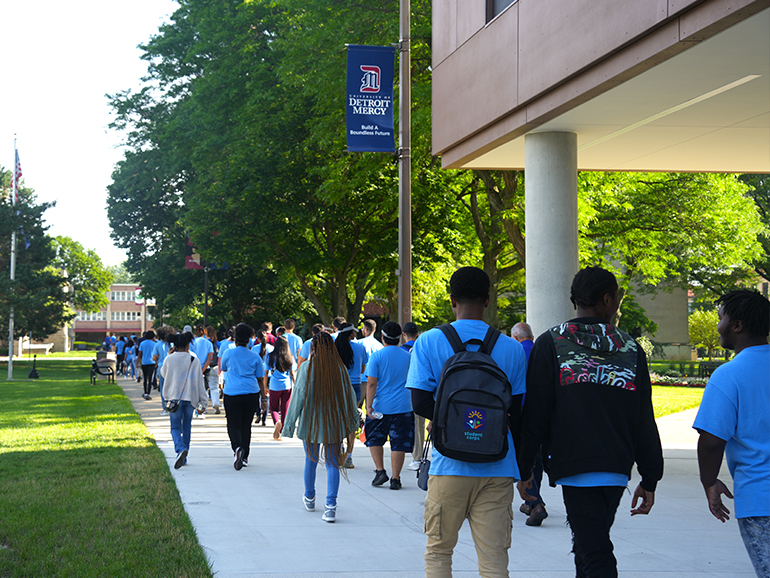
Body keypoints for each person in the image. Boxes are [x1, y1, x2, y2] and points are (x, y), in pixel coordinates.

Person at [517, 266, 664, 578]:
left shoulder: (551, 343)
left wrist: (525, 466)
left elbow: (536, 414)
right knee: (589, 544)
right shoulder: (631, 348)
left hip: (574, 466)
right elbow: (643, 419)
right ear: (607, 300)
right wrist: (650, 477)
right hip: (615, 468)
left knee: (594, 550)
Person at [406, 266, 527, 578]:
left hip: (449, 465)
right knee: (494, 560)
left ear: (451, 300)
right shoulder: (512, 348)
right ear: (488, 300)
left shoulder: (429, 341)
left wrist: (451, 422)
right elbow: (519, 409)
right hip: (497, 466)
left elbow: (419, 402)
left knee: (438, 553)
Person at [693, 289, 770, 578]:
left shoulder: (729, 374)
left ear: (737, 325)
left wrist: (709, 482)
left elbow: (712, 440)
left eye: (720, 317)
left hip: (761, 498)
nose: (717, 325)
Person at [283, 332, 359, 523]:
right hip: (333, 423)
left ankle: (309, 498)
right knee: (333, 463)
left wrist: (289, 425)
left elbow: (297, 397)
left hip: (310, 422)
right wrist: (352, 422)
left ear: (313, 348)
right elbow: (349, 397)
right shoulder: (339, 369)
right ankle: (331, 507)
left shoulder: (306, 368)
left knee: (311, 460)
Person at [364, 321, 413, 490]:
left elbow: (371, 383)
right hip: (404, 406)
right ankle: (395, 478)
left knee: (375, 438)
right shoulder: (408, 356)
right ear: (400, 338)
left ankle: (380, 471)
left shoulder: (376, 357)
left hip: (380, 406)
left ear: (383, 337)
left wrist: (368, 406)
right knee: (398, 442)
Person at [511, 321, 546, 526]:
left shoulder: (515, 352)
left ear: (516, 337)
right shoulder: (544, 351)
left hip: (522, 412)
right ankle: (529, 500)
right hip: (543, 413)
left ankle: (535, 503)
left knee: (525, 459)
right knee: (538, 460)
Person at [220, 323, 265, 470]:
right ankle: (244, 457)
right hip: (251, 392)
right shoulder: (255, 356)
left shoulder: (228, 353)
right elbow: (260, 378)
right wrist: (264, 398)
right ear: (250, 339)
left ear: (235, 338)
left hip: (232, 392)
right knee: (246, 425)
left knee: (233, 424)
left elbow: (224, 368)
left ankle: (237, 448)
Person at [160, 331, 209, 469]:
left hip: (174, 398)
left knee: (175, 427)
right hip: (190, 398)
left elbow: (163, 374)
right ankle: (184, 456)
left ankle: (180, 449)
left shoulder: (169, 359)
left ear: (174, 345)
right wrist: (203, 402)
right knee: (186, 427)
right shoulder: (194, 359)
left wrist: (169, 356)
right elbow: (200, 381)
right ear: (188, 344)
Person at [335, 322, 368, 468]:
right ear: (352, 334)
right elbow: (362, 369)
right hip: (355, 386)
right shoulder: (360, 347)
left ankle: (338, 448)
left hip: (337, 385)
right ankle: (349, 455)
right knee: (351, 420)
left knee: (337, 418)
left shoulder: (333, 348)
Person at [400, 321, 425, 472]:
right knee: (420, 425)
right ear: (417, 334)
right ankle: (418, 457)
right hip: (422, 389)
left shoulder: (401, 351)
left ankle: (415, 458)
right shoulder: (422, 349)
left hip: (405, 392)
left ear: (404, 334)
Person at [267, 335, 297, 440]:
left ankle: (276, 422)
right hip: (287, 386)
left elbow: (266, 372)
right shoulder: (290, 357)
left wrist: (265, 385)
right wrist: (295, 384)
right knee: (285, 409)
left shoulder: (270, 356)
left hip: (274, 385)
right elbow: (292, 373)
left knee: (273, 408)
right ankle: (282, 430)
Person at [252, 329, 273, 426]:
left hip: (256, 374)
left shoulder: (254, 349)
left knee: (257, 395)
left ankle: (257, 413)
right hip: (268, 375)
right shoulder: (271, 348)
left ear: (258, 338)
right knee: (266, 396)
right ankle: (264, 418)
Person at [153, 326, 174, 416]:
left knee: (163, 388)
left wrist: (157, 361)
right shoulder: (173, 344)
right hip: (172, 367)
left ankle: (165, 408)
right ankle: (173, 405)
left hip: (161, 367)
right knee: (173, 387)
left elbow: (154, 357)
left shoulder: (157, 344)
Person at [205, 325, 221, 414]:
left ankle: (204, 407)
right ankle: (216, 403)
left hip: (206, 367)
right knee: (214, 387)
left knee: (204, 388)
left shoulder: (205, 343)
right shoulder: (218, 343)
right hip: (216, 367)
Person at [137, 331, 157, 400]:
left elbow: (140, 354)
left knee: (145, 378)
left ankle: (145, 392)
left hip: (144, 362)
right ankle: (148, 392)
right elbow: (156, 354)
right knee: (150, 378)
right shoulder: (155, 344)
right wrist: (156, 362)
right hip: (152, 362)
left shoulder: (142, 343)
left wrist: (137, 363)